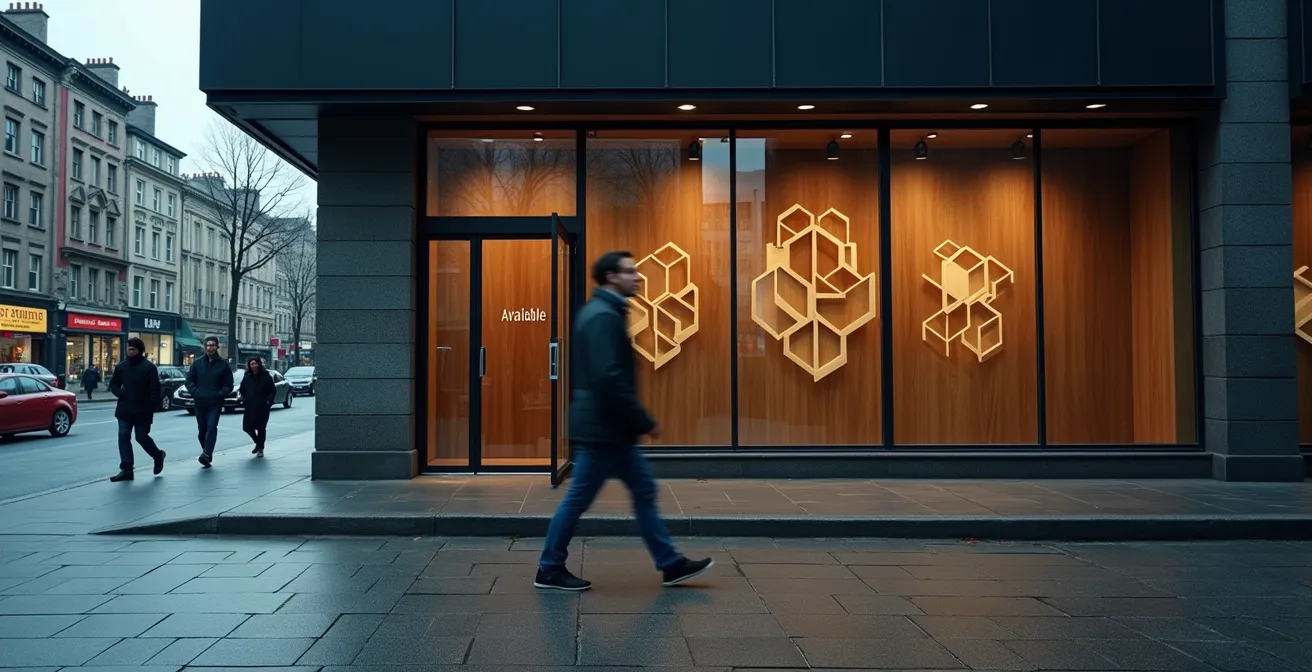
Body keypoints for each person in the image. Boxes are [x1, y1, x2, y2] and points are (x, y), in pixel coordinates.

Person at [535, 251, 714, 592]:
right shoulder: (602, 316)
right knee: (578, 499)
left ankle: (670, 563)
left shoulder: (605, 311)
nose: (638, 277)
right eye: (630, 271)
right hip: (603, 430)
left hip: (610, 428)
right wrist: (643, 419)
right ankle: (549, 567)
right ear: (611, 277)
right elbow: (608, 378)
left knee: (643, 489)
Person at [107, 339, 165, 482]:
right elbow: (114, 383)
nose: (130, 351)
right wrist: (119, 393)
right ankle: (127, 469)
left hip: (143, 410)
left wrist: (151, 407)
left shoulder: (149, 367)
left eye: (133, 349)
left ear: (140, 350)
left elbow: (155, 390)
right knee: (123, 436)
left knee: (141, 437)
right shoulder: (122, 366)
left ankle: (157, 455)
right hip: (125, 409)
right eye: (128, 349)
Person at [185, 336, 233, 468]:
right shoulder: (197, 363)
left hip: (215, 403)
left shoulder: (223, 365)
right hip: (200, 402)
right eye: (208, 345)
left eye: (212, 345)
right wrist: (195, 392)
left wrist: (220, 394)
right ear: (205, 347)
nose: (210, 348)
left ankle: (206, 453)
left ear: (217, 347)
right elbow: (189, 381)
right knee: (202, 431)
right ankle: (207, 452)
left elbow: (228, 385)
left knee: (211, 427)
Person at [239, 357, 276, 458]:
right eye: (252, 364)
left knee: (261, 428)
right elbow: (242, 389)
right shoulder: (247, 376)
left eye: (256, 363)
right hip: (250, 406)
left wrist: (268, 401)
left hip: (262, 407)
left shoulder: (266, 376)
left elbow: (272, 390)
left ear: (259, 364)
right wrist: (244, 399)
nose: (254, 366)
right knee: (247, 427)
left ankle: (260, 449)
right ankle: (258, 442)